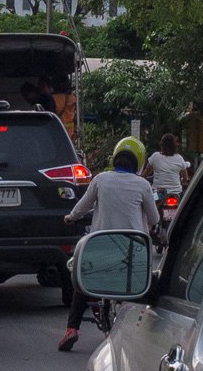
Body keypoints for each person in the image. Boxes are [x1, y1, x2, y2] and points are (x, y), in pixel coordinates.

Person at [56, 135, 158, 352]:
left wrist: (70, 218)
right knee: (143, 287)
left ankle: (72, 329)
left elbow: (82, 207)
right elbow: (155, 218)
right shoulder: (143, 185)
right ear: (139, 162)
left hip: (100, 251)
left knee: (81, 282)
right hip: (132, 256)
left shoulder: (101, 180)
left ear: (115, 158)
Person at [142, 132, 190, 199]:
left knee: (148, 203)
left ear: (162, 145)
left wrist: (138, 178)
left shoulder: (155, 156)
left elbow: (146, 173)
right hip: (176, 193)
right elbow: (185, 178)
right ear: (174, 146)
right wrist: (180, 183)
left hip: (158, 194)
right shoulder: (179, 158)